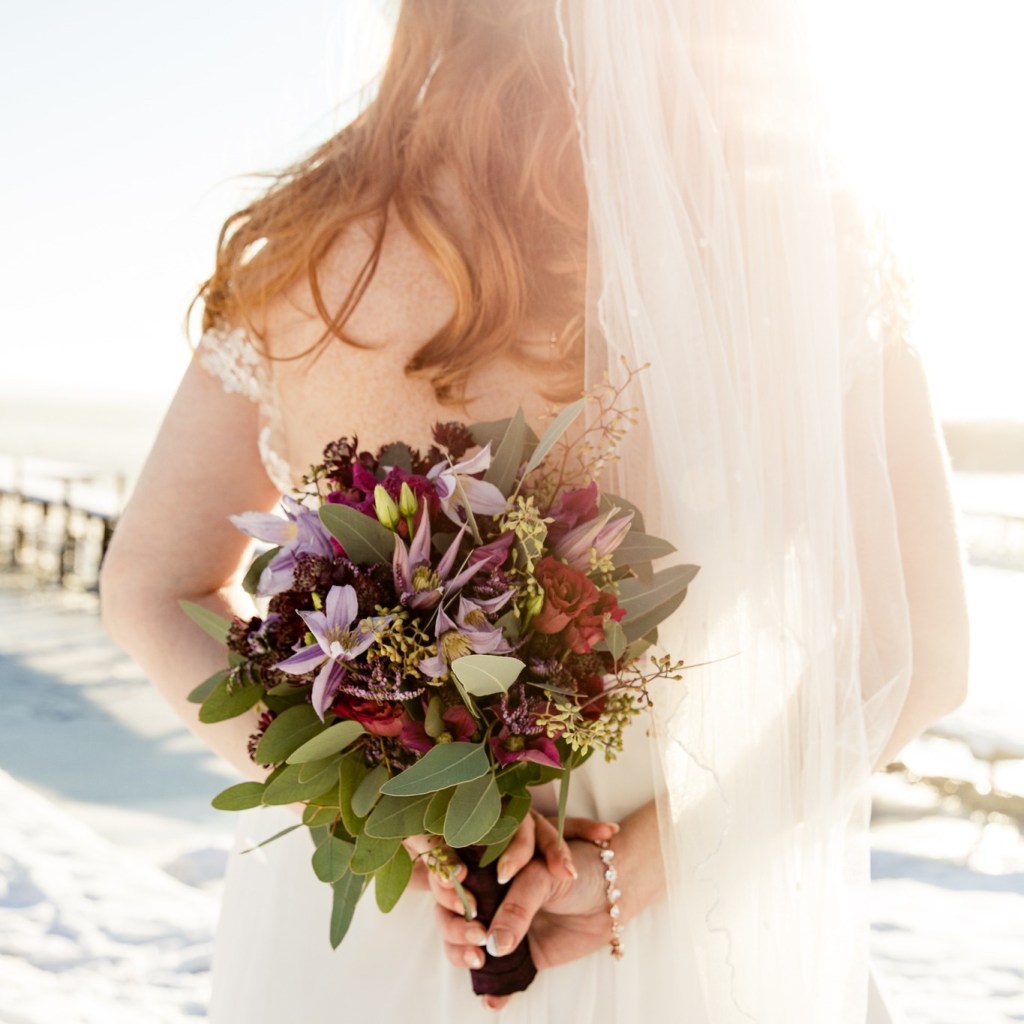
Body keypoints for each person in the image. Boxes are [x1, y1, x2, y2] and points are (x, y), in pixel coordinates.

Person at [100, 0, 969, 1020]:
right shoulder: (792, 242)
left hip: (373, 911)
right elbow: (923, 650)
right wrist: (639, 865)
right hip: (669, 919)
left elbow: (148, 588)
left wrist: (374, 802)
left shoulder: (305, 247)